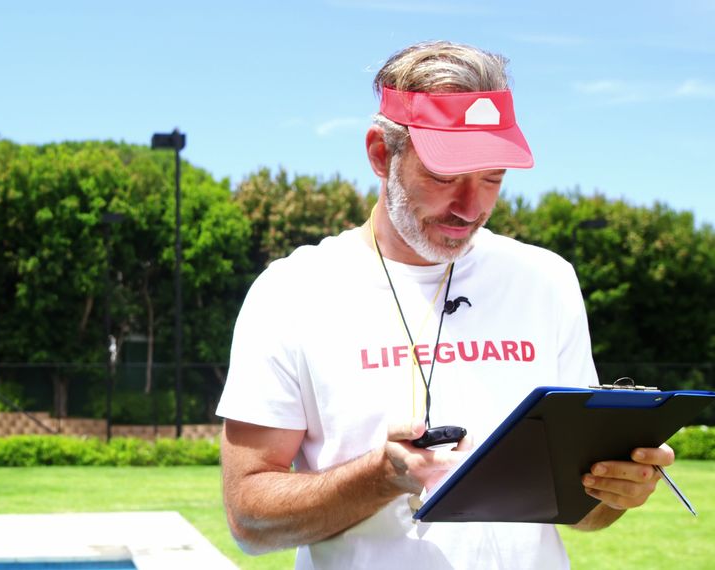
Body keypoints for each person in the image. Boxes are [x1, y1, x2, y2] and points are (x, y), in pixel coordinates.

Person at [216, 40, 674, 569]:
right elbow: (249, 518)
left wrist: (616, 487)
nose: (471, 206)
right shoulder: (293, 291)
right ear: (380, 153)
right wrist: (380, 478)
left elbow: (582, 511)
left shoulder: (547, 280)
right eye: (444, 176)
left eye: (492, 178)